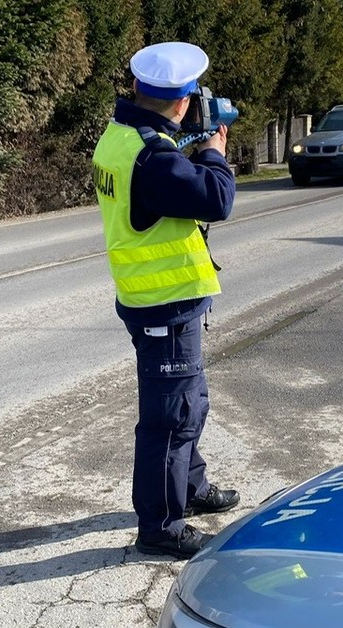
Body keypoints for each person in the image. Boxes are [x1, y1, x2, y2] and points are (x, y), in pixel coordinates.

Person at [92, 41, 240, 559]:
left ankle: (190, 488)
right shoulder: (152, 157)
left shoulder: (124, 136)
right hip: (165, 307)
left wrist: (186, 144)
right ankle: (160, 527)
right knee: (169, 419)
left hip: (160, 302)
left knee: (190, 403)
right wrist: (214, 152)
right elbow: (217, 198)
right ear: (181, 101)